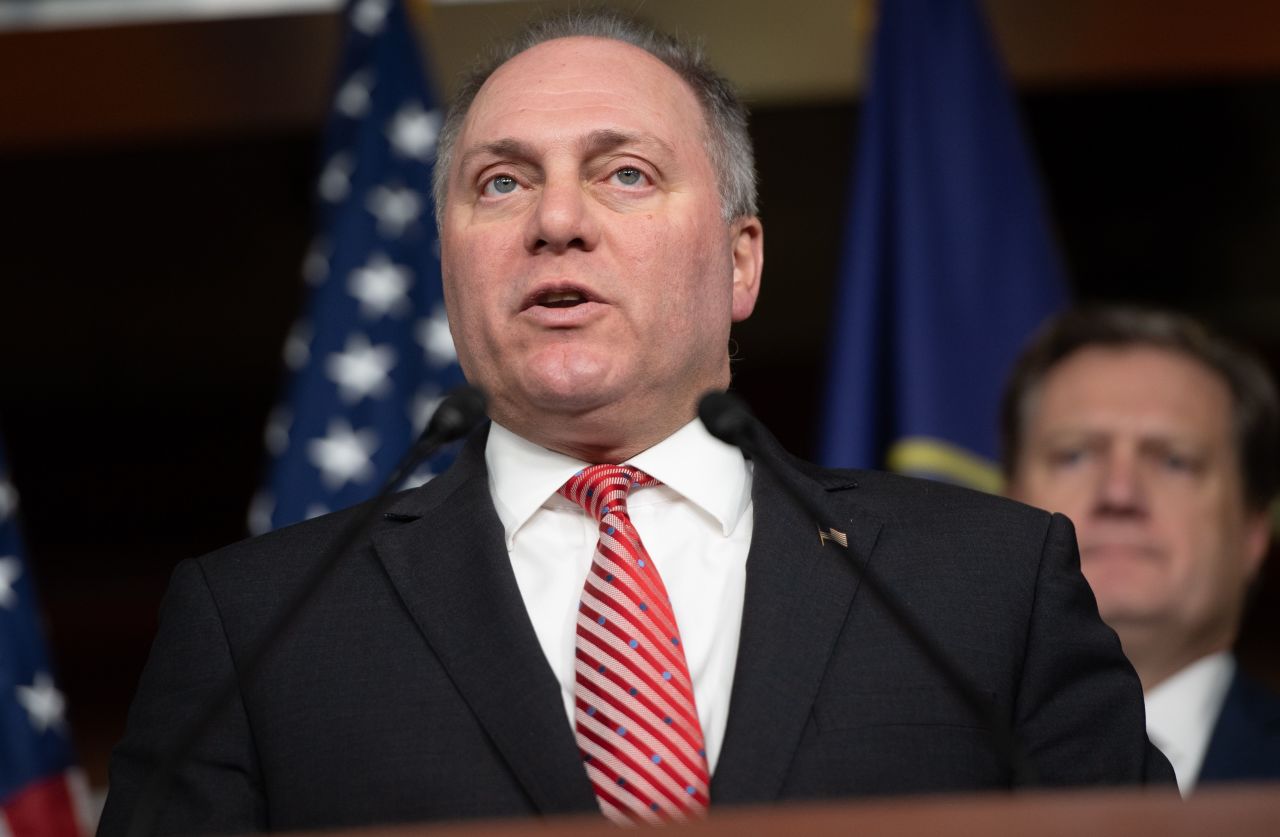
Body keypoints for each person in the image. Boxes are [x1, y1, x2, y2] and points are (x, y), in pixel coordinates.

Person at [99, 11, 1170, 834]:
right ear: (446, 262)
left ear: (740, 259)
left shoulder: (984, 588)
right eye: (501, 181)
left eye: (623, 174)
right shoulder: (256, 630)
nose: (556, 222)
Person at [1002, 305, 1280, 795]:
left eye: (1175, 461)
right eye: (1074, 455)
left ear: (1253, 532)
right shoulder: (899, 775)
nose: (1119, 493)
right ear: (1002, 508)